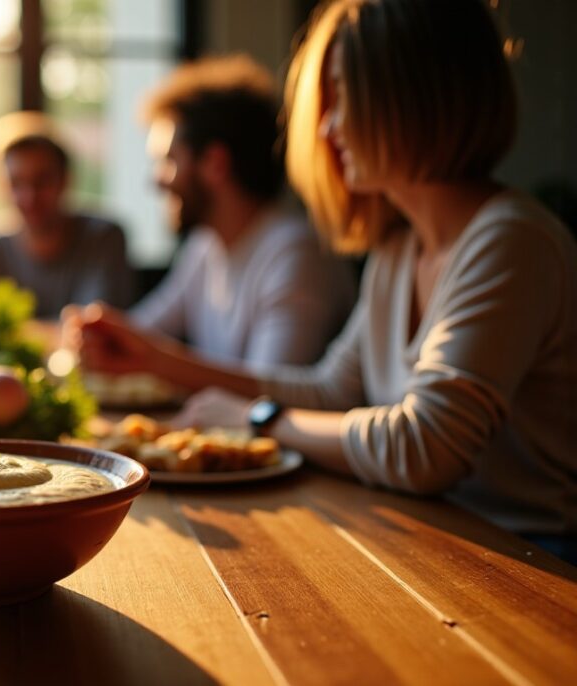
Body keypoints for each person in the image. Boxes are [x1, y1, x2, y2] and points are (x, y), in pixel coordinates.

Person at [70, 0, 577, 555]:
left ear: (412, 99)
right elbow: (332, 392)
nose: (328, 128)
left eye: (343, 98)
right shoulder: (399, 248)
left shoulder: (511, 240)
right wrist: (156, 359)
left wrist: (260, 418)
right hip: (434, 535)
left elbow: (425, 449)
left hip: (527, 556)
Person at [127, 55, 357, 370]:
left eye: (168, 160)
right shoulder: (205, 247)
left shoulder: (296, 254)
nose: (156, 180)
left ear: (215, 164)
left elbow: (268, 387)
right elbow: (139, 332)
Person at [0, 111, 135, 319]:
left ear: (65, 180)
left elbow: (97, 325)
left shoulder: (103, 237)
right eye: (16, 183)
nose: (30, 197)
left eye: (42, 181)